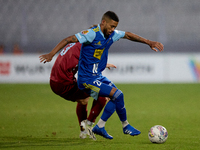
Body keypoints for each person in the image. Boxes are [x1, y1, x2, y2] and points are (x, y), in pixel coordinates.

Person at [40, 11, 164, 140]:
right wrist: (51, 54)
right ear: (103, 23)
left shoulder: (109, 35)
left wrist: (149, 42)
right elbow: (71, 43)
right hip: (76, 80)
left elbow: (127, 35)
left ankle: (97, 126)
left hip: (89, 77)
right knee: (102, 97)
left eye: (114, 27)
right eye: (111, 27)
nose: (113, 30)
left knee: (114, 96)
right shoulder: (89, 37)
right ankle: (93, 127)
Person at [39, 42, 116, 140]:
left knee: (84, 100)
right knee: (103, 94)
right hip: (65, 84)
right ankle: (89, 125)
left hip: (55, 82)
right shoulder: (86, 50)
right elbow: (89, 70)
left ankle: (83, 131)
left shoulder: (76, 43)